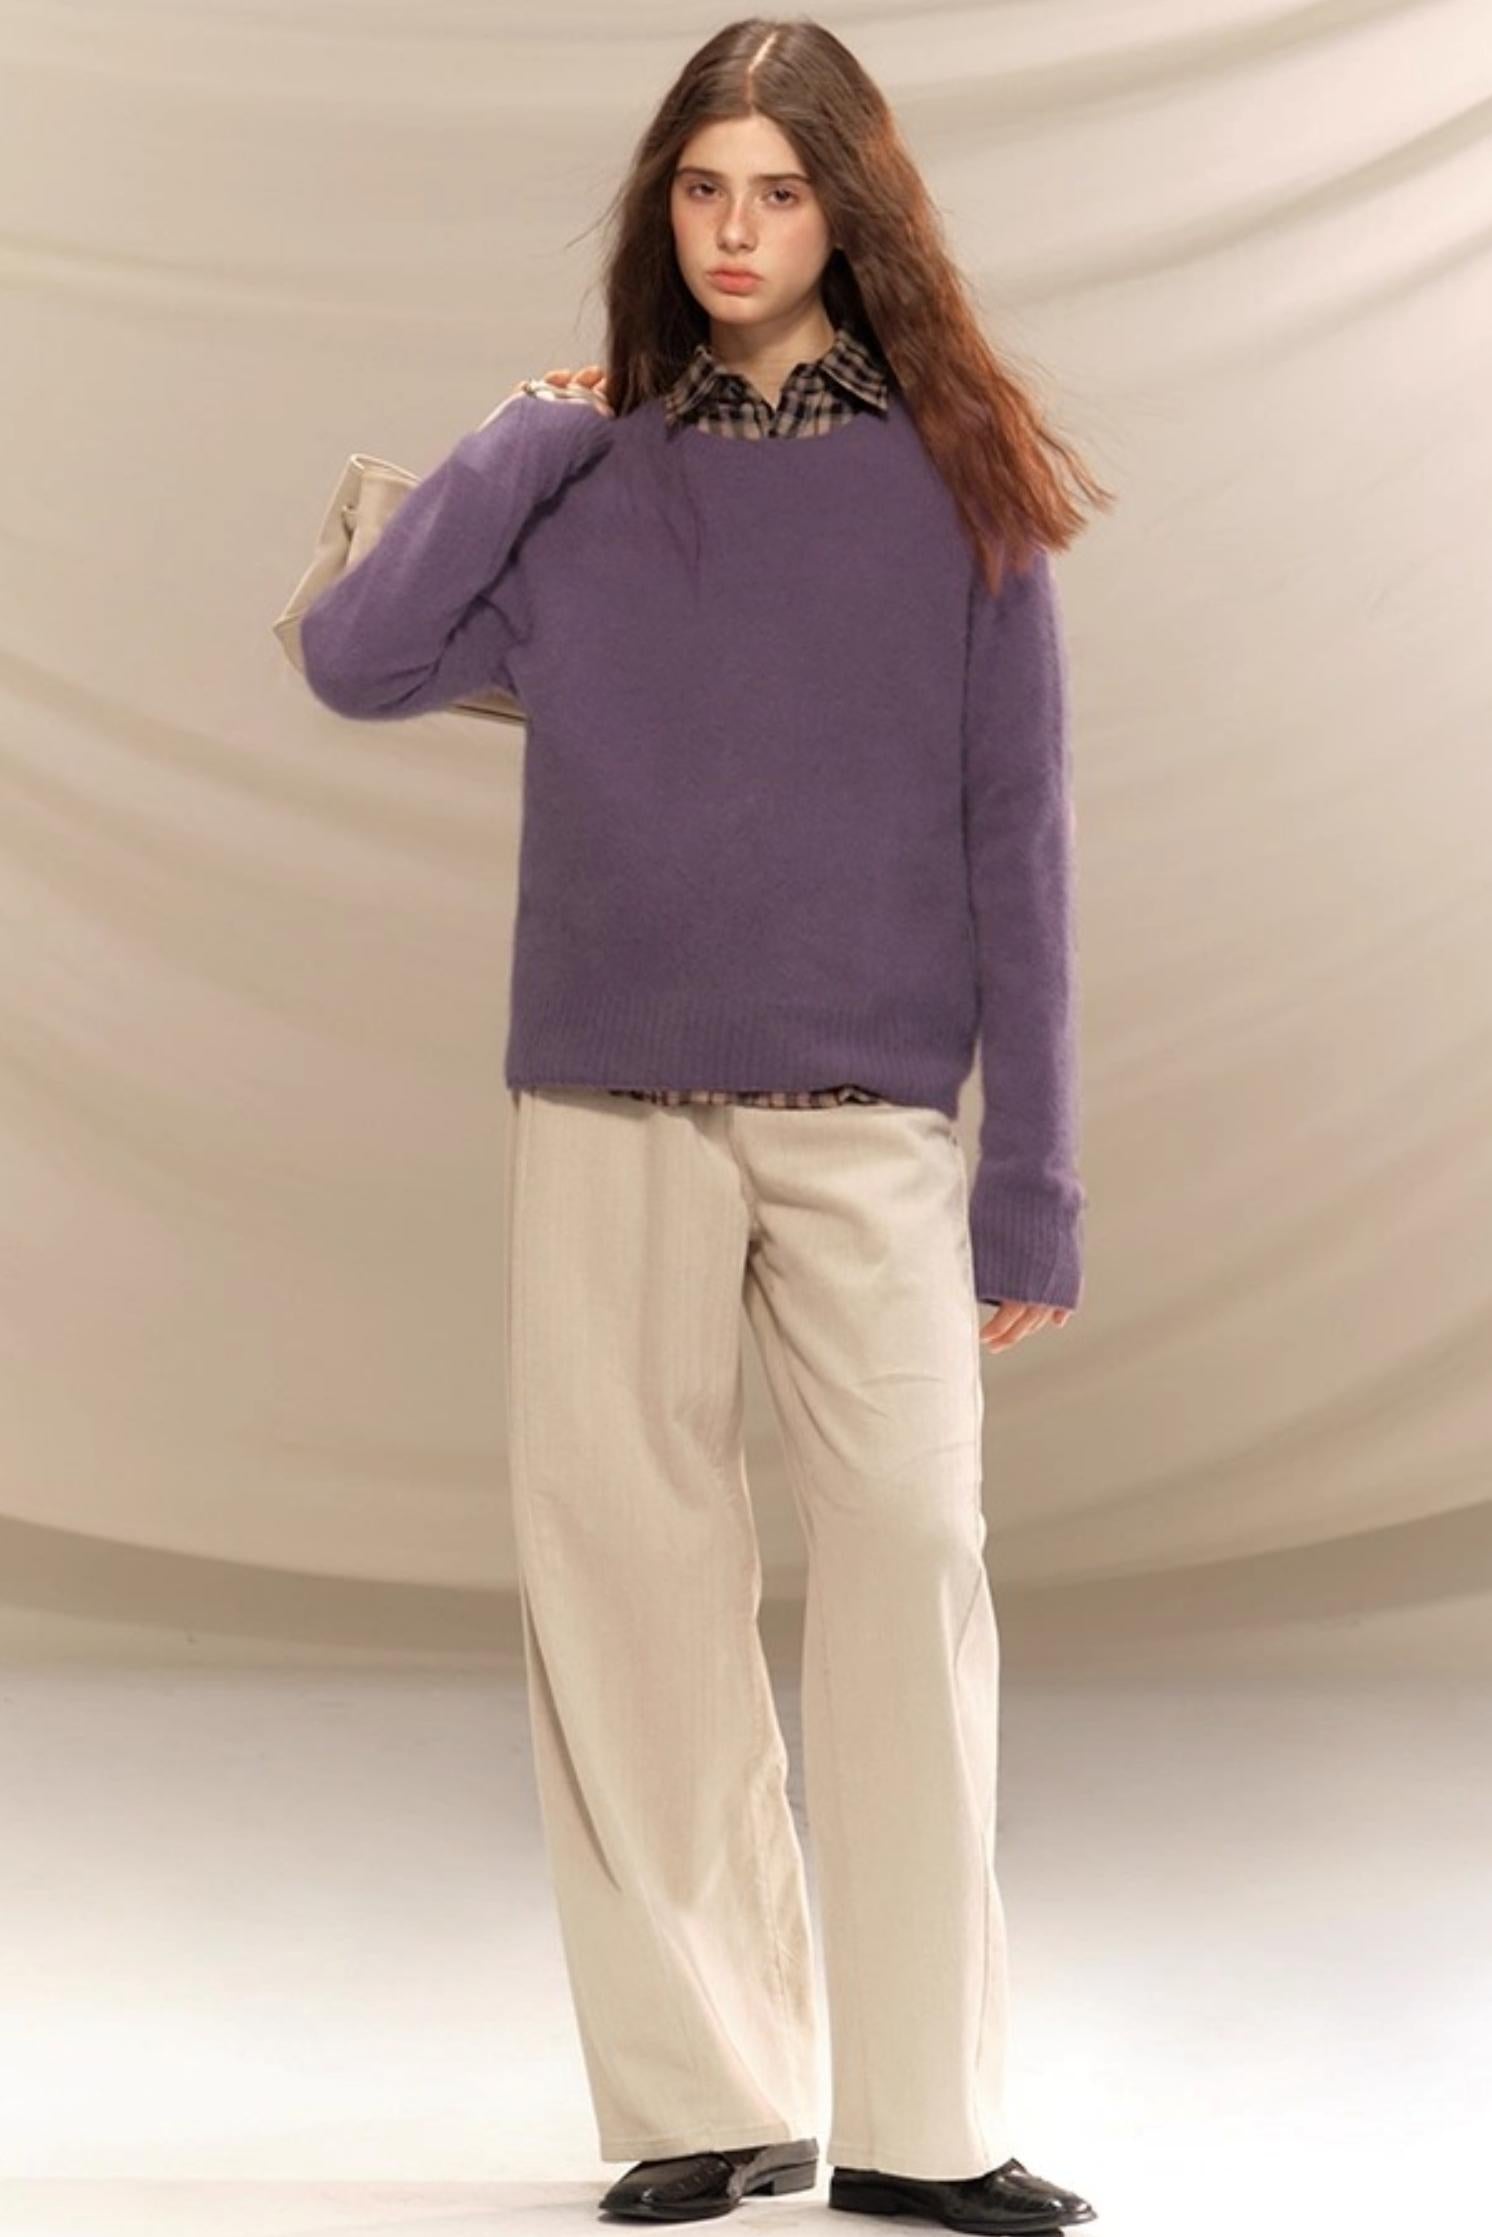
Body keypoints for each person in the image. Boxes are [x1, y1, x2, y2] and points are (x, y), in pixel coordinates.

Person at [298, 16, 1113, 2228]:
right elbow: (359, 659)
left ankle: (927, 2122)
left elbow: (1019, 846)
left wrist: (1029, 1180)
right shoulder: (589, 474)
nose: (735, 232)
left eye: (776, 190)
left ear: (849, 210)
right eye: (699, 189)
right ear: (662, 209)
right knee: (629, 1588)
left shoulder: (958, 488)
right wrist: (516, 429)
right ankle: (708, 2089)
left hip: (867, 1124)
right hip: (608, 1103)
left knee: (910, 1561)